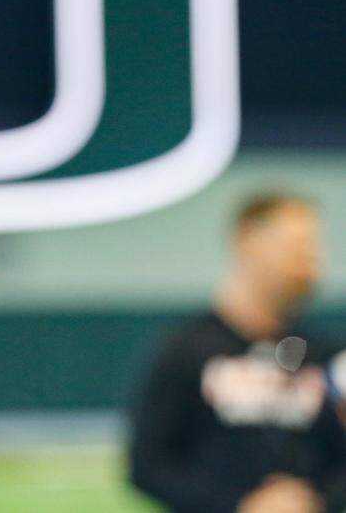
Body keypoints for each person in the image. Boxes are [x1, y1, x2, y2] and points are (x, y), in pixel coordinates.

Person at [128, 192, 345, 512]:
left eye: (313, 249)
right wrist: (241, 505)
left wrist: (313, 501)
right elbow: (148, 466)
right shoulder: (187, 351)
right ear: (247, 242)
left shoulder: (326, 356)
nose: (310, 264)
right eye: (297, 248)